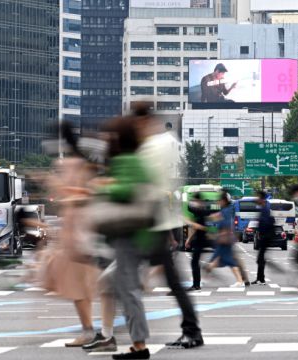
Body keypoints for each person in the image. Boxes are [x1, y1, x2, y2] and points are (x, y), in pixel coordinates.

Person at [131, 103, 203, 349]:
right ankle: (190, 329)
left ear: (142, 122)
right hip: (158, 223)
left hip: (152, 223)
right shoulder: (166, 143)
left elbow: (147, 187)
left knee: (123, 277)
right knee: (168, 280)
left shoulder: (151, 148)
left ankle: (119, 332)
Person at [100, 116, 154, 360]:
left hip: (128, 234)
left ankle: (139, 346)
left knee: (127, 289)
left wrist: (102, 187)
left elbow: (125, 190)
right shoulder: (137, 160)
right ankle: (135, 343)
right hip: (135, 234)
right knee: (114, 283)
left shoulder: (124, 161)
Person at [44, 121, 100, 348]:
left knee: (76, 284)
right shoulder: (85, 164)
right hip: (82, 229)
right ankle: (92, 329)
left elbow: (76, 194)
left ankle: (89, 330)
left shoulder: (68, 164)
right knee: (81, 284)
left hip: (76, 232)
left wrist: (60, 190)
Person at [205, 192, 244, 287]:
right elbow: (215, 217)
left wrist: (221, 235)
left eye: (219, 200)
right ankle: (204, 277)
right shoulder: (225, 210)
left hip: (224, 240)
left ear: (223, 201)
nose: (218, 202)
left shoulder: (226, 211)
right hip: (224, 240)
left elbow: (226, 225)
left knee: (227, 260)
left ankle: (240, 281)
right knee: (217, 260)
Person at [185, 193, 209, 291]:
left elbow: (196, 227)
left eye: (195, 201)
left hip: (200, 240)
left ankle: (196, 284)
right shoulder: (200, 211)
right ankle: (196, 284)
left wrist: (188, 239)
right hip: (200, 240)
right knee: (195, 262)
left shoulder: (201, 212)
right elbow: (189, 207)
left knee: (194, 262)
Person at [252, 191, 273, 285]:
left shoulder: (265, 208)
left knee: (260, 258)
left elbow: (265, 222)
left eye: (257, 197)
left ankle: (261, 279)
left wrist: (261, 232)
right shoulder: (264, 207)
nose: (256, 199)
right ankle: (260, 278)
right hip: (264, 236)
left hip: (265, 236)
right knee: (260, 258)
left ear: (262, 199)